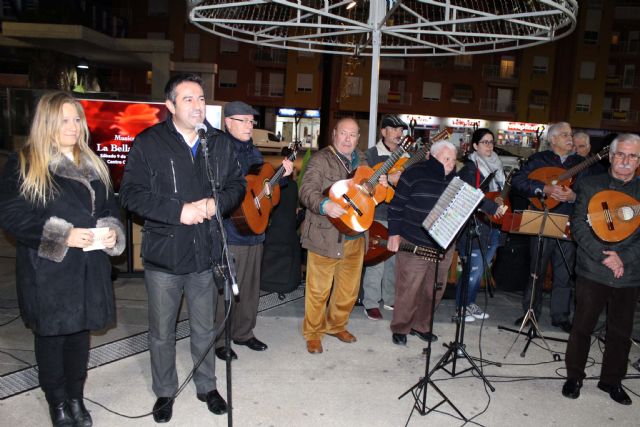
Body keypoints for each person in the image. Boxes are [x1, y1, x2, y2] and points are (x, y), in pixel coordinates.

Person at [119, 74, 245, 423]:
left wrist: (215, 203)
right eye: (188, 99)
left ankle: (206, 386)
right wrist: (179, 210)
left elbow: (237, 186)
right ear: (170, 105)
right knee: (162, 331)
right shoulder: (149, 143)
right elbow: (130, 195)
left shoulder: (217, 142)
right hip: (164, 255)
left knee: (204, 328)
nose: (197, 105)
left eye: (201, 98)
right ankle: (164, 391)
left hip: (205, 253)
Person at [0, 91, 125, 427]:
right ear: (47, 123)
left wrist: (111, 230)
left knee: (78, 338)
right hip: (49, 271)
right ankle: (57, 402)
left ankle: (75, 397)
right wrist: (63, 235)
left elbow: (111, 207)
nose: (73, 126)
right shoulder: (25, 161)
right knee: (52, 339)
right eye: (64, 120)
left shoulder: (93, 161)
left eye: (77, 119)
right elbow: (12, 216)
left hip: (89, 267)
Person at [562, 133, 640, 405]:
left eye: (632, 156)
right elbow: (579, 227)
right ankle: (574, 376)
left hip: (628, 273)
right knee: (582, 326)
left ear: (638, 160)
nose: (626, 161)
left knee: (620, 332)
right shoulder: (589, 184)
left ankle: (612, 381)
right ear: (611, 156)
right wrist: (603, 256)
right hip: (593, 268)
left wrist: (623, 259)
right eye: (621, 154)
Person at [299, 117, 387, 354]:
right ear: (334, 134)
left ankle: (336, 325)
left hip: (356, 236)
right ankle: (313, 333)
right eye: (344, 133)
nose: (348, 139)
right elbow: (306, 191)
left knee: (348, 290)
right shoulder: (320, 160)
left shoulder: (364, 160)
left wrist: (383, 186)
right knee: (319, 290)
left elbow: (372, 197)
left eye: (353, 134)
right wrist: (324, 204)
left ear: (359, 138)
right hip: (324, 235)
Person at [214, 101, 293, 360]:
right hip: (231, 231)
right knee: (226, 289)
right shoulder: (219, 150)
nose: (250, 125)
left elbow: (262, 187)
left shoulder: (254, 152)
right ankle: (220, 339)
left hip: (255, 230)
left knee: (249, 287)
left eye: (251, 121)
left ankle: (244, 333)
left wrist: (281, 178)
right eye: (243, 120)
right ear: (228, 122)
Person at [511, 121, 586, 333]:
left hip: (569, 223)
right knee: (536, 270)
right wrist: (543, 188)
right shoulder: (538, 159)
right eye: (564, 134)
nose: (570, 138)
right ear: (552, 139)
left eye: (571, 134)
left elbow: (592, 193)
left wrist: (574, 196)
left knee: (564, 271)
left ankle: (561, 316)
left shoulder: (581, 163)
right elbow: (518, 181)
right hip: (541, 219)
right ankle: (530, 312)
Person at [387, 140, 458, 345]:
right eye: (446, 159)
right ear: (433, 157)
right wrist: (393, 233)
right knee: (409, 287)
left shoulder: (457, 180)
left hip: (443, 244)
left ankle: (422, 325)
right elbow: (396, 205)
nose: (451, 164)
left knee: (434, 288)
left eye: (454, 160)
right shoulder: (413, 174)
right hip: (414, 240)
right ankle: (401, 327)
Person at [455, 129, 506, 322]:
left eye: (491, 142)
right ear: (475, 146)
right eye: (484, 142)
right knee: (472, 269)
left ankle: (470, 302)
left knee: (482, 268)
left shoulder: (497, 166)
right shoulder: (470, 168)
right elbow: (470, 195)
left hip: (493, 225)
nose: (489, 146)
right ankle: (461, 306)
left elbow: (497, 193)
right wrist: (493, 206)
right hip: (475, 225)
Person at [362, 115, 408, 320]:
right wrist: (389, 178)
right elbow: (364, 180)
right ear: (383, 132)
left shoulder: (407, 156)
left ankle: (390, 298)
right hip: (377, 213)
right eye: (394, 129)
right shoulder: (371, 154)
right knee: (376, 259)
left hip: (399, 214)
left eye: (401, 130)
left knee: (394, 259)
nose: (399, 133)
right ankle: (370, 302)